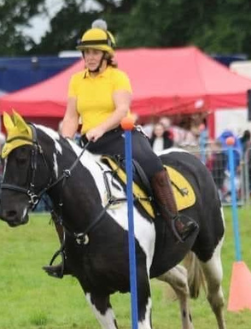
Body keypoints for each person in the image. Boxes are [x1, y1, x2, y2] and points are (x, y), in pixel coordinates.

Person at [47, 19, 197, 277]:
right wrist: (64, 142)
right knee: (62, 185)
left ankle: (175, 220)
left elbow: (121, 110)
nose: (89, 57)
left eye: (95, 52)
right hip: (88, 141)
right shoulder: (76, 81)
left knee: (153, 165)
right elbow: (71, 116)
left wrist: (100, 128)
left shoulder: (118, 77)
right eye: (86, 52)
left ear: (106, 54)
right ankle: (68, 253)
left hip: (121, 135)